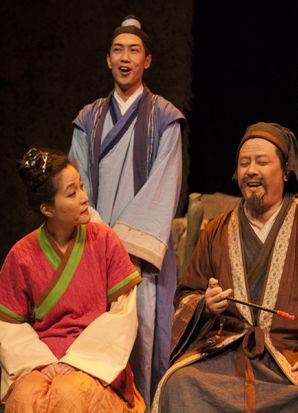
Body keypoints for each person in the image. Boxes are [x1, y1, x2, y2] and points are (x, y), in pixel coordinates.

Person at [153, 122, 298, 412]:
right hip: (227, 353)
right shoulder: (216, 230)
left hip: (291, 354)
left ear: (285, 171)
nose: (251, 170)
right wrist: (205, 305)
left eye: (262, 162)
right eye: (244, 163)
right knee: (178, 384)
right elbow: (188, 294)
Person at [69, 15, 185, 407]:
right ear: (107, 59)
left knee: (143, 338)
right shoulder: (88, 119)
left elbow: (163, 188)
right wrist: (99, 238)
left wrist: (121, 248)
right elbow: (76, 185)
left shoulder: (165, 118)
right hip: (94, 248)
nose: (125, 58)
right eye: (118, 50)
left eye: (134, 50)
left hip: (140, 259)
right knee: (94, 346)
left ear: (147, 61)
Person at [0, 147, 144, 412]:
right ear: (47, 209)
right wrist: (42, 363)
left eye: (81, 187)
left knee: (69, 395)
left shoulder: (105, 241)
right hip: (41, 359)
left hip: (96, 358)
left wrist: (79, 361)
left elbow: (123, 312)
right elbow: (9, 325)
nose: (84, 197)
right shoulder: (21, 255)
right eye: (71, 193)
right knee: (23, 399)